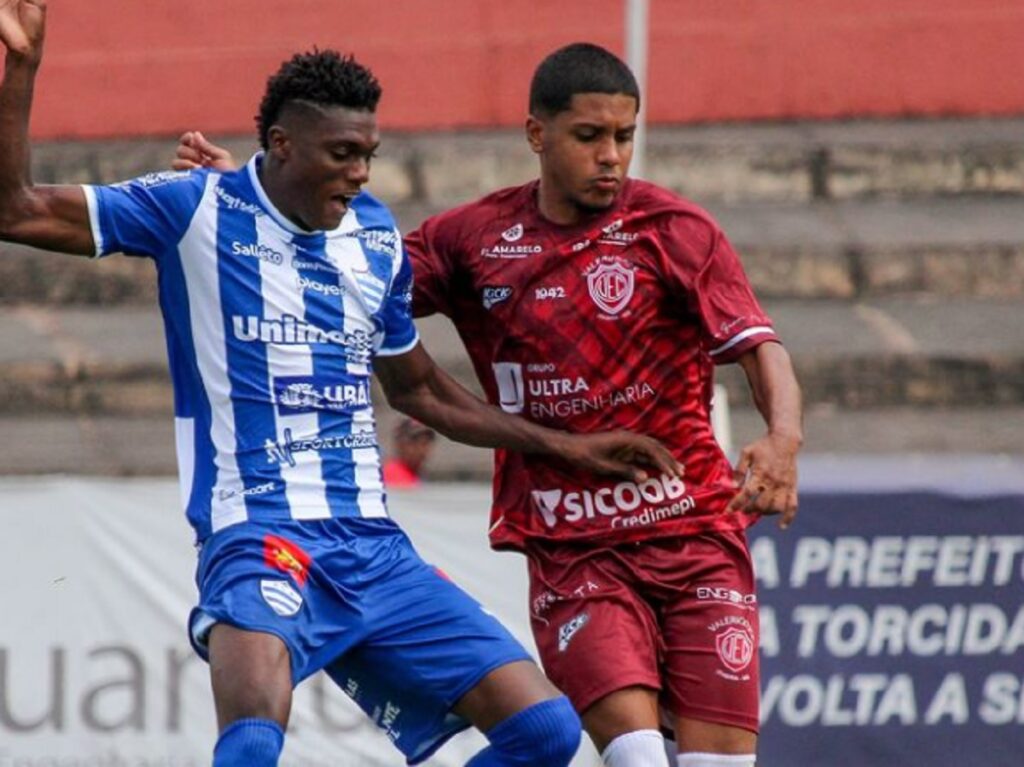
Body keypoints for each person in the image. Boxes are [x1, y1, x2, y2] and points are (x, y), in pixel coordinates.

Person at [0, 6, 686, 766]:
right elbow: (16, 208)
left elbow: (420, 388)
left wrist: (571, 447)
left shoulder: (373, 235)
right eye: (342, 153)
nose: (361, 171)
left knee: (545, 731)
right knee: (255, 741)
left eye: (369, 152)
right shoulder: (192, 209)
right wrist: (21, 72)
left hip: (373, 546)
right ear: (283, 145)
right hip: (258, 534)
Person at [174, 43, 802, 767]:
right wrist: (254, 199)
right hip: (576, 547)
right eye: (589, 136)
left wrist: (782, 436)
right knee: (630, 757)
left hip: (695, 532)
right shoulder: (475, 240)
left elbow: (761, 345)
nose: (611, 157)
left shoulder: (676, 230)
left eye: (623, 138)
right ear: (537, 135)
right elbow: (339, 262)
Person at [383, 417, 437, 488]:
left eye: (425, 443)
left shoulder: (417, 474)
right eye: (415, 442)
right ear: (400, 444)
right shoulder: (393, 475)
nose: (421, 450)